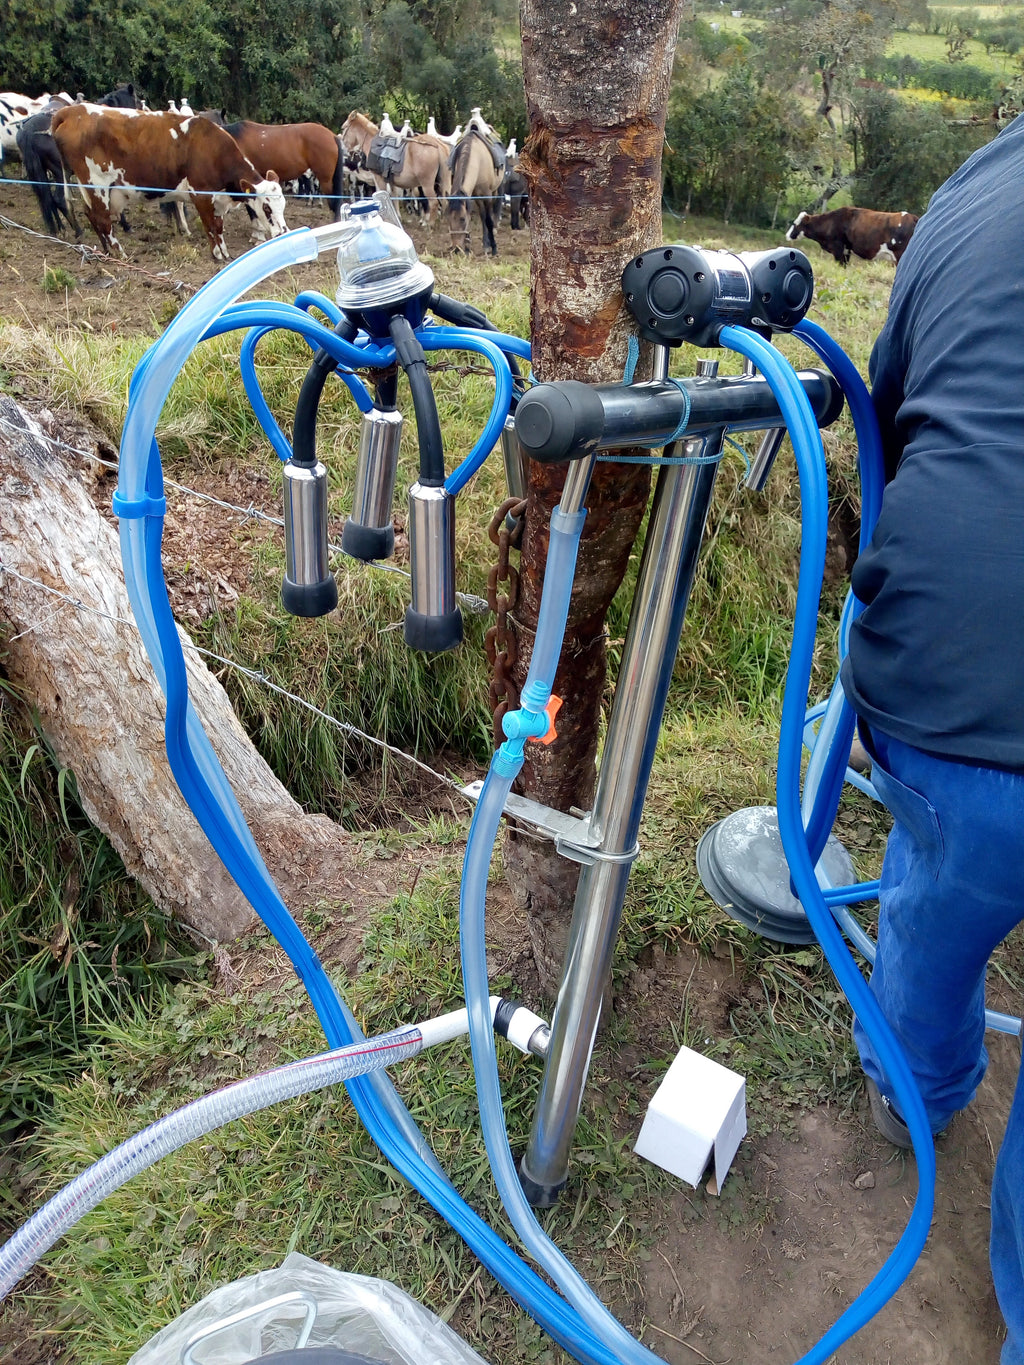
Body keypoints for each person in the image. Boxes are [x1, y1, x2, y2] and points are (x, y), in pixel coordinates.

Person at [841, 112, 1024, 1364]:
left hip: (950, 693)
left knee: (930, 910)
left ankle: (916, 1099)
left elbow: (885, 413)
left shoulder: (977, 183)